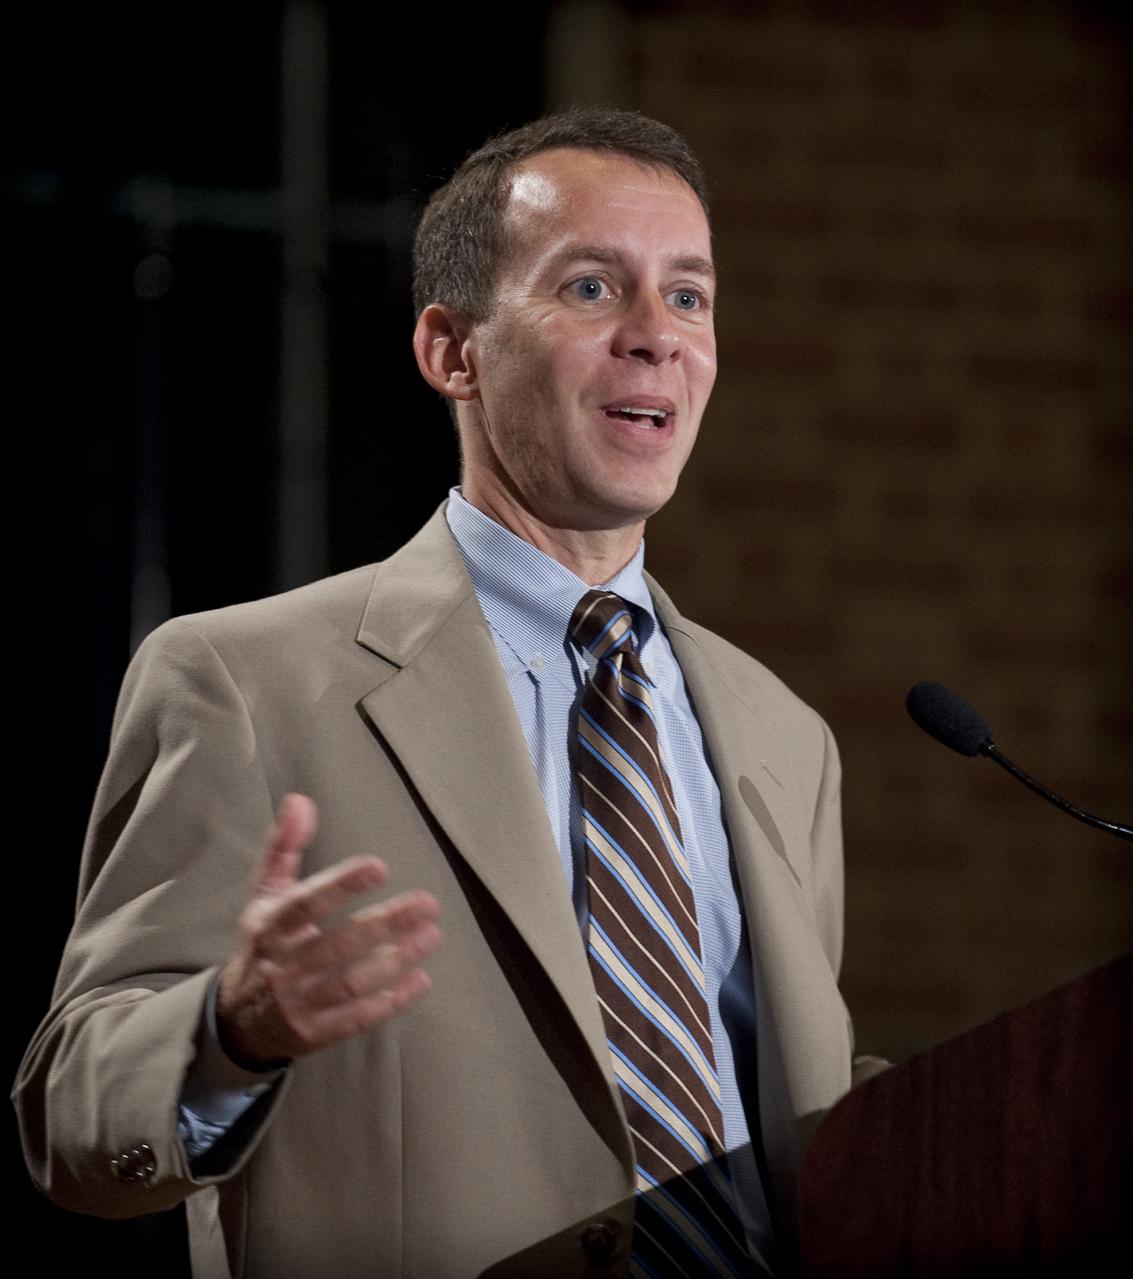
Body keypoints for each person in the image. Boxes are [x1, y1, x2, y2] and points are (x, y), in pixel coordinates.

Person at [15, 108, 881, 1278]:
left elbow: (789, 1116)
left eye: (687, 296)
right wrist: (231, 1028)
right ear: (450, 350)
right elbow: (74, 1113)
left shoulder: (785, 735)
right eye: (589, 287)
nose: (654, 337)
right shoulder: (243, 681)